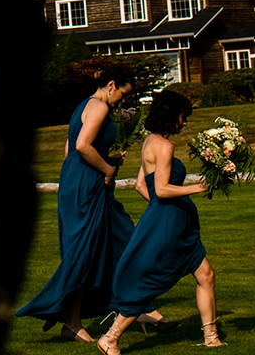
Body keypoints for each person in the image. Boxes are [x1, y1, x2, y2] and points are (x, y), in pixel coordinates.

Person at [16, 63, 175, 342]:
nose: (122, 101)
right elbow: (80, 146)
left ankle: (141, 308)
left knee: (121, 239)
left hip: (78, 180)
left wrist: (105, 159)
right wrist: (107, 169)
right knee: (85, 252)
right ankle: (72, 321)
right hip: (86, 185)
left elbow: (72, 149)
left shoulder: (84, 105)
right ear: (111, 85)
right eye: (122, 95)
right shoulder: (100, 107)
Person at [99, 91, 223, 352]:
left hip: (172, 222)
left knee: (206, 275)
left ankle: (211, 337)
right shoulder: (165, 147)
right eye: (183, 117)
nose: (185, 123)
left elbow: (141, 186)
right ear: (171, 116)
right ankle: (110, 337)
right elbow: (163, 189)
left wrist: (160, 210)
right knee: (151, 280)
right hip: (170, 226)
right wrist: (197, 189)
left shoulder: (150, 142)